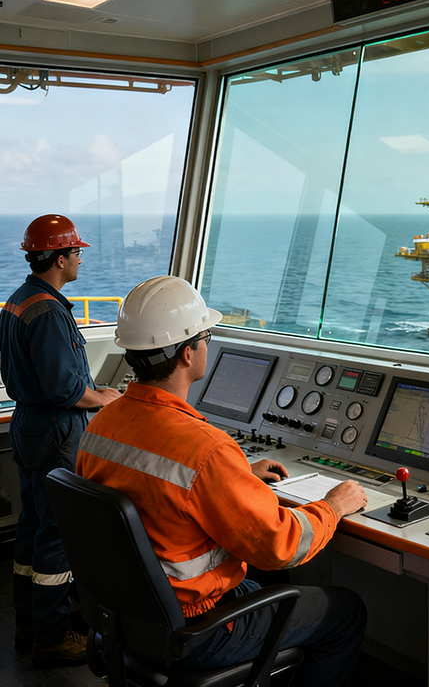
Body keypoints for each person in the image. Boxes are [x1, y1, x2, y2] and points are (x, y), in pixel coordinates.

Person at [76, 275, 368, 687]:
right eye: (205, 337)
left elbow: (154, 487)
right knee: (345, 610)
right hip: (196, 628)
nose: (206, 345)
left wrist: (237, 475)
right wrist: (334, 505)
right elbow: (281, 545)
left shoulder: (101, 424)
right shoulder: (205, 449)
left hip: (127, 615)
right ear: (187, 353)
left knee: (270, 581)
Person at [0, 214, 121, 668]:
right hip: (56, 429)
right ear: (58, 258)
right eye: (75, 252)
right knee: (57, 534)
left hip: (29, 424)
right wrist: (103, 399)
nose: (80, 260)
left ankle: (28, 624)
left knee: (32, 527)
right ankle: (52, 637)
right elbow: (64, 389)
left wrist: (91, 392)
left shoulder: (19, 300)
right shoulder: (50, 311)